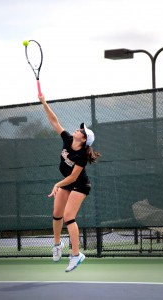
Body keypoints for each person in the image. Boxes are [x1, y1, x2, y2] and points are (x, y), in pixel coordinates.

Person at [38, 94, 100, 272]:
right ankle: (57, 244)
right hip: (67, 182)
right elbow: (54, 121)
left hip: (80, 186)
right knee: (57, 213)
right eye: (81, 129)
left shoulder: (81, 156)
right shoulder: (67, 139)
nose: (79, 130)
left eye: (82, 131)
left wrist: (57, 184)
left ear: (83, 139)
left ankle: (76, 255)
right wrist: (44, 102)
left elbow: (73, 178)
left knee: (68, 216)